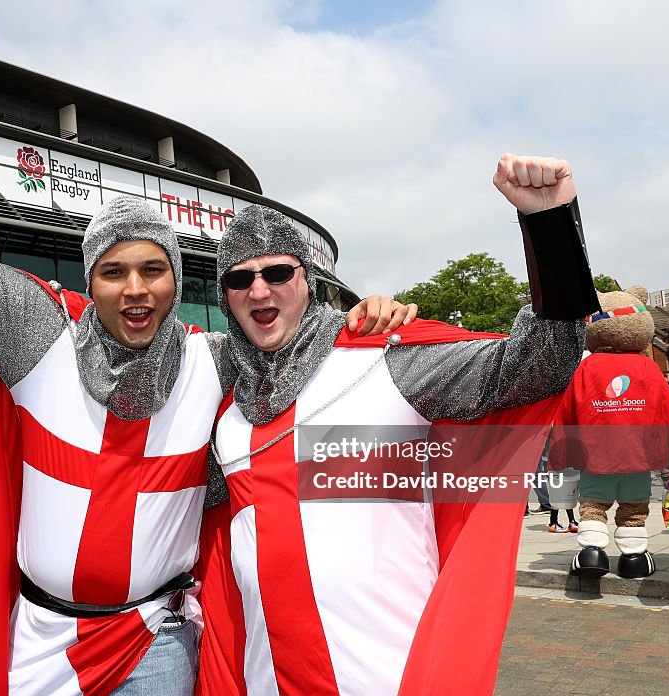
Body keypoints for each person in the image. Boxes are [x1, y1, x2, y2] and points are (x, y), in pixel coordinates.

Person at [0, 60, 415, 696]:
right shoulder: (34, 333)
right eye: (114, 272)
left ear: (177, 278)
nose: (135, 289)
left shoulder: (215, 359)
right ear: (89, 279)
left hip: (157, 642)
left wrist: (359, 320)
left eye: (154, 269)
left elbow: (291, 346)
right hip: (43, 646)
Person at [196, 155, 600, 696]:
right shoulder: (226, 414)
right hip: (268, 679)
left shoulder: (386, 362)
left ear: (309, 281)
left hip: (392, 674)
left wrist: (549, 225)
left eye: (277, 272)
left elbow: (539, 365)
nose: (261, 291)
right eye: (240, 279)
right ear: (224, 296)